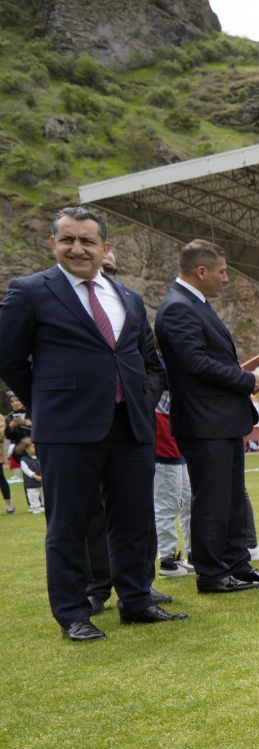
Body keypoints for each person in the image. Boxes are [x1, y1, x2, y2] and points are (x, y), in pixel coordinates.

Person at [0, 205, 185, 640]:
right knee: (68, 524)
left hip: (131, 426)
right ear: (53, 244)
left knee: (133, 520)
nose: (77, 247)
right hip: (67, 430)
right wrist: (47, 401)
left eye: (87, 240)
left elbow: (148, 361)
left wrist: (143, 398)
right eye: (68, 239)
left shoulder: (129, 298)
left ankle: (137, 601)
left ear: (105, 247)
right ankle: (73, 614)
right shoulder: (29, 291)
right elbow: (8, 357)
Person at [155, 239, 259, 594]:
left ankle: (238, 565)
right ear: (202, 271)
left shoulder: (194, 303)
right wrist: (246, 379)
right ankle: (211, 573)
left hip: (220, 419)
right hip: (203, 420)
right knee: (211, 500)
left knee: (232, 498)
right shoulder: (178, 307)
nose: (226, 279)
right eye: (222, 272)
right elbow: (195, 363)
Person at [151, 394, 193, 577]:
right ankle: (167, 560)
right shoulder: (158, 373)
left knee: (187, 502)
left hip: (177, 446)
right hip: (164, 448)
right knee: (168, 504)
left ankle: (191, 554)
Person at [16, 437, 43, 513]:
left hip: (42, 481)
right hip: (31, 483)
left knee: (42, 494)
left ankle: (42, 506)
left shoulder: (39, 457)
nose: (35, 448)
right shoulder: (24, 460)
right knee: (33, 495)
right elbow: (26, 471)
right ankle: (35, 507)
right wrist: (35, 476)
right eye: (33, 447)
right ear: (27, 449)